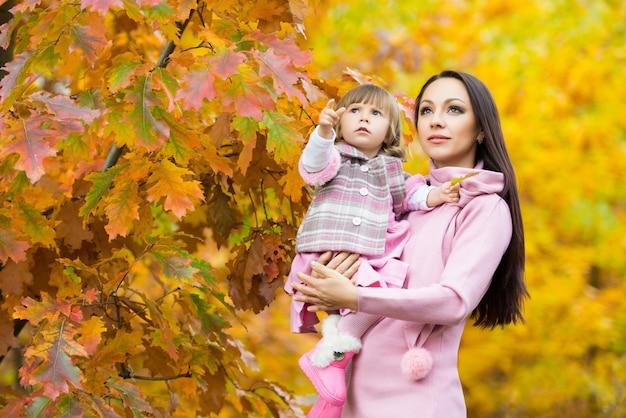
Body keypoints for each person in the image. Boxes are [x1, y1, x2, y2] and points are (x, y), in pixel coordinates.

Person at [291, 70, 528, 418]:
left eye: (454, 110)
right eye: (427, 111)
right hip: (351, 399)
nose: (436, 121)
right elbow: (369, 297)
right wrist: (323, 281)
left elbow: (453, 301)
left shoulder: (485, 209)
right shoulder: (400, 201)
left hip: (416, 402)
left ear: (481, 129)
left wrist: (352, 295)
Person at [284, 83, 460, 415]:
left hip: (368, 258)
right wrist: (322, 132)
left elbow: (408, 197)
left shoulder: (392, 168)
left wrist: (436, 196)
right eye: (355, 111)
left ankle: (331, 375)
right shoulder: (336, 157)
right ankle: (331, 361)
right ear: (341, 122)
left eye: (375, 114)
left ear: (389, 132)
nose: (364, 119)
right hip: (327, 253)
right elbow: (312, 166)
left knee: (384, 297)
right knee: (376, 296)